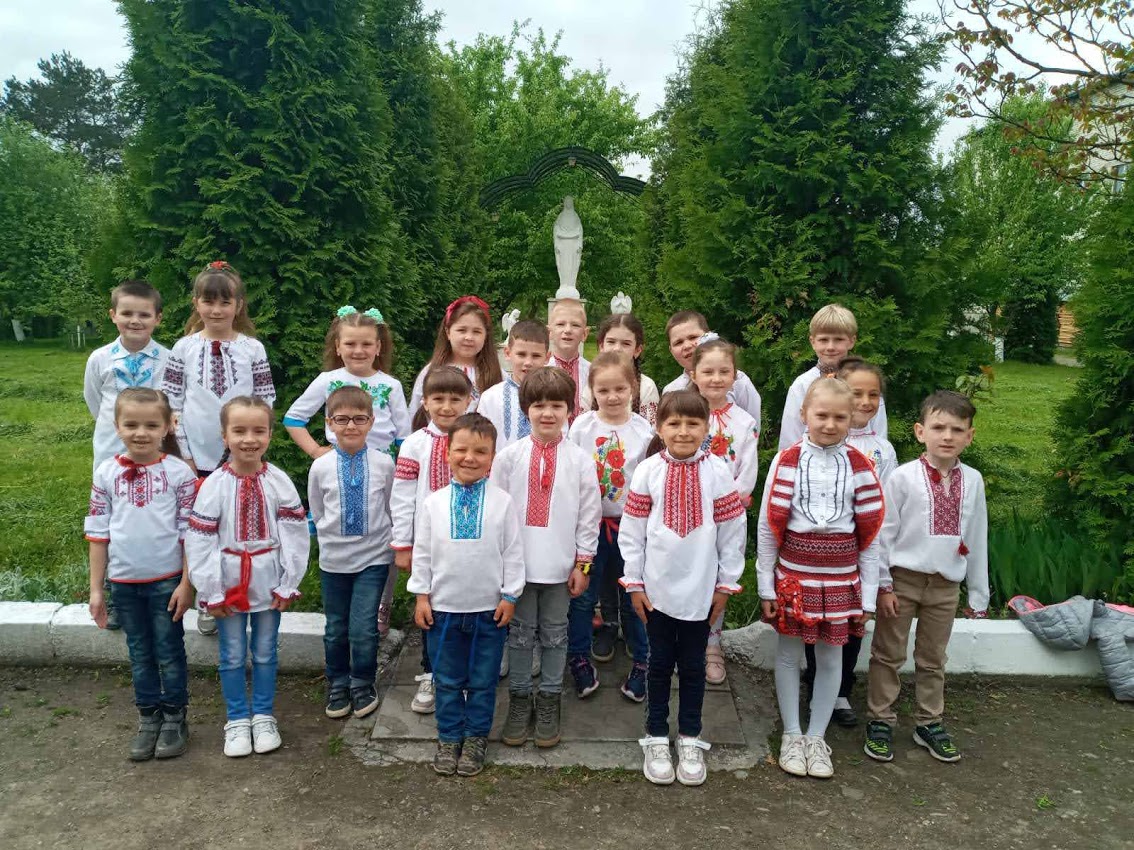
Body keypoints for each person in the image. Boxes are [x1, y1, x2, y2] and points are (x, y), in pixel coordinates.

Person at [757, 378, 884, 780]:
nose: (830, 424)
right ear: (804, 415)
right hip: (794, 578)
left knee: (831, 657)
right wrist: (765, 584)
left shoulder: (861, 467)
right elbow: (767, 527)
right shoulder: (786, 461)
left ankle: (816, 736)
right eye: (822, 415)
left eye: (840, 417)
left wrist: (868, 598)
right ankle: (792, 734)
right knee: (789, 654)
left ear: (853, 418)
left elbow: (870, 538)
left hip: (840, 581)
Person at [619, 390, 746, 786]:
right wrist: (634, 582)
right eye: (674, 423)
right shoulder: (648, 470)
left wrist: (726, 583)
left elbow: (732, 532)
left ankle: (690, 736)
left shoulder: (718, 472)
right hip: (656, 590)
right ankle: (656, 735)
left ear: (707, 428)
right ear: (659, 428)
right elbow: (632, 532)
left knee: (693, 666)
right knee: (658, 664)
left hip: (701, 590)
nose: (683, 431)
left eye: (693, 423)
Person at [865, 391, 988, 764]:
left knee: (933, 658)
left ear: (970, 436)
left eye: (957, 430)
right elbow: (884, 534)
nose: (947, 436)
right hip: (903, 581)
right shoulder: (903, 477)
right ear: (921, 431)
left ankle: (929, 722)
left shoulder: (973, 480)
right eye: (938, 427)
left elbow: (977, 535)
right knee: (888, 653)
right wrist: (883, 585)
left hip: (945, 585)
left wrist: (978, 594)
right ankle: (880, 719)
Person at [186, 397, 309, 758]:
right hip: (228, 583)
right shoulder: (214, 485)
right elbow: (201, 539)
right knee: (233, 653)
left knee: (266, 651)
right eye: (239, 431)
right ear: (224, 435)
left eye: (259, 430)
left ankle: (264, 715)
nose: (249, 439)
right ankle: (237, 719)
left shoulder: (278, 481)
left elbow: (295, 534)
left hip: (268, 580)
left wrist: (289, 582)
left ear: (270, 435)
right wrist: (211, 590)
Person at [407, 413, 525, 777]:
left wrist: (510, 596)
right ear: (447, 452)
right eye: (461, 449)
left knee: (483, 680)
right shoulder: (434, 503)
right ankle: (449, 737)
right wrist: (421, 596)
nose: (470, 458)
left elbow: (513, 552)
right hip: (443, 610)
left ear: (492, 457)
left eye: (480, 451)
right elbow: (422, 553)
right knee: (446, 679)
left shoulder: (503, 502)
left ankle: (475, 738)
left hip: (489, 612)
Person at [162, 261, 275, 636]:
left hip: (241, 456)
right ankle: (205, 596)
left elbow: (265, 399)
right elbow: (172, 403)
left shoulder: (252, 349)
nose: (216, 310)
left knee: (233, 524)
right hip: (195, 458)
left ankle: (239, 590)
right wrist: (186, 455)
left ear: (238, 305)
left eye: (225, 302)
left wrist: (249, 448)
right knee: (200, 528)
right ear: (196, 303)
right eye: (208, 301)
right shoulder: (184, 348)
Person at [85, 388, 197, 761]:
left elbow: (189, 533)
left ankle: (175, 717)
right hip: (124, 583)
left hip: (167, 581)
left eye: (151, 425)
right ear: (117, 426)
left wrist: (187, 583)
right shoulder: (106, 473)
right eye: (131, 424)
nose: (141, 433)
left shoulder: (179, 473)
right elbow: (98, 534)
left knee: (168, 650)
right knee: (139, 652)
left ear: (167, 427)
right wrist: (97, 590)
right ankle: (148, 717)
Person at [492, 367, 601, 748]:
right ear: (526, 409)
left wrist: (583, 564)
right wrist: (501, 565)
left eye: (556, 405)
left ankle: (550, 698)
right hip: (518, 568)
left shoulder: (580, 460)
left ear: (570, 409)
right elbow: (497, 513)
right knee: (520, 636)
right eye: (539, 405)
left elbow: (589, 515)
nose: (548, 413)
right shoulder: (508, 457)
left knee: (555, 635)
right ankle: (520, 699)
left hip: (560, 567)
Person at [803, 356, 899, 727]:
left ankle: (841, 689)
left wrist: (880, 563)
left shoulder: (882, 450)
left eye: (873, 395)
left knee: (851, 620)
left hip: (862, 550)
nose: (865, 401)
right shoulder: (816, 443)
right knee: (816, 619)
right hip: (820, 553)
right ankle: (815, 682)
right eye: (856, 393)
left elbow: (885, 508)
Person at [566, 352, 654, 702]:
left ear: (633, 386)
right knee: (584, 595)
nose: (612, 396)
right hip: (589, 531)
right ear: (592, 391)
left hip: (631, 530)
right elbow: (572, 475)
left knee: (634, 593)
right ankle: (578, 657)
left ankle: (643, 661)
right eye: (603, 390)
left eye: (620, 388)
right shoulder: (582, 427)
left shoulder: (643, 431)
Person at [83, 279, 171, 631]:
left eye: (144, 315)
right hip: (111, 451)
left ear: (158, 318)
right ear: (113, 315)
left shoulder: (167, 359)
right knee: (111, 520)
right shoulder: (100, 358)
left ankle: (157, 584)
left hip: (153, 454)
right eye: (127, 313)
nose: (135, 320)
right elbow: (94, 400)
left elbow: (170, 403)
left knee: (148, 516)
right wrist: (119, 431)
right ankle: (114, 591)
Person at [308, 386, 396, 721]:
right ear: (329, 423)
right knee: (336, 628)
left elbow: (390, 507)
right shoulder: (321, 467)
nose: (350, 426)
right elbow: (318, 509)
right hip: (334, 561)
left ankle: (362, 681)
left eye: (359, 419)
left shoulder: (384, 463)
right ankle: (338, 682)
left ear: (371, 422)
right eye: (342, 419)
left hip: (373, 558)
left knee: (363, 627)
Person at [390, 366, 474, 715]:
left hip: (468, 540)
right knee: (430, 608)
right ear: (424, 402)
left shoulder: (474, 440)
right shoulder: (415, 444)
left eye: (456, 399)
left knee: (466, 606)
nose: (447, 406)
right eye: (438, 398)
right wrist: (403, 543)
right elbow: (402, 496)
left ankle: (463, 676)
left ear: (469, 402)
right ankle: (431, 673)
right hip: (428, 542)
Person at [689, 336, 759, 686]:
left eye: (723, 371)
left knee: (719, 576)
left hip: (725, 516)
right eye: (708, 371)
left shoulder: (744, 423)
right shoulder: (686, 414)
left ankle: (712, 643)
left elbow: (746, 473)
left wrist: (724, 506)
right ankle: (685, 639)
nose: (716, 379)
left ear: (734, 375)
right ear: (694, 374)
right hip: (686, 513)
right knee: (686, 572)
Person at [283, 306, 410, 459]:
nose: (358, 351)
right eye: (350, 344)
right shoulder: (328, 380)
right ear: (338, 347)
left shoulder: (391, 386)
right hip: (337, 464)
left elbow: (404, 437)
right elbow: (293, 419)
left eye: (366, 344)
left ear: (378, 347)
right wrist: (315, 451)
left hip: (382, 467)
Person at [778, 304, 887, 450]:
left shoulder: (866, 381)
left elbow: (880, 434)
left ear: (851, 341)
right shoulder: (802, 385)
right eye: (823, 340)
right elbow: (790, 439)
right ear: (812, 342)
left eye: (838, 339)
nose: (830, 347)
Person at [662, 310, 761, 424]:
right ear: (671, 350)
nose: (687, 346)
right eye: (678, 342)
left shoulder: (738, 381)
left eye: (693, 337)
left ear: (708, 336)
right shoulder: (672, 390)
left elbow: (753, 425)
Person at [408, 295, 503, 416]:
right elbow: (415, 412)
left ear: (486, 335)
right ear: (448, 332)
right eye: (462, 330)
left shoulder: (497, 374)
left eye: (477, 332)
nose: (469, 337)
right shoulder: (432, 371)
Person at [477, 320, 548, 451]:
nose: (528, 362)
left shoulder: (553, 397)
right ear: (508, 353)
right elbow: (481, 441)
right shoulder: (491, 397)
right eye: (521, 354)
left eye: (536, 356)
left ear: (547, 357)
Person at [595, 313, 660, 425]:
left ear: (637, 350)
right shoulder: (591, 383)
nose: (617, 349)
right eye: (611, 342)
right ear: (601, 346)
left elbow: (651, 431)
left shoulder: (646, 387)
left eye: (626, 344)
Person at [546, 298, 591, 421]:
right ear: (549, 332)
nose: (567, 330)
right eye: (560, 324)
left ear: (585, 334)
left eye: (575, 325)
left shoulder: (593, 372)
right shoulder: (540, 371)